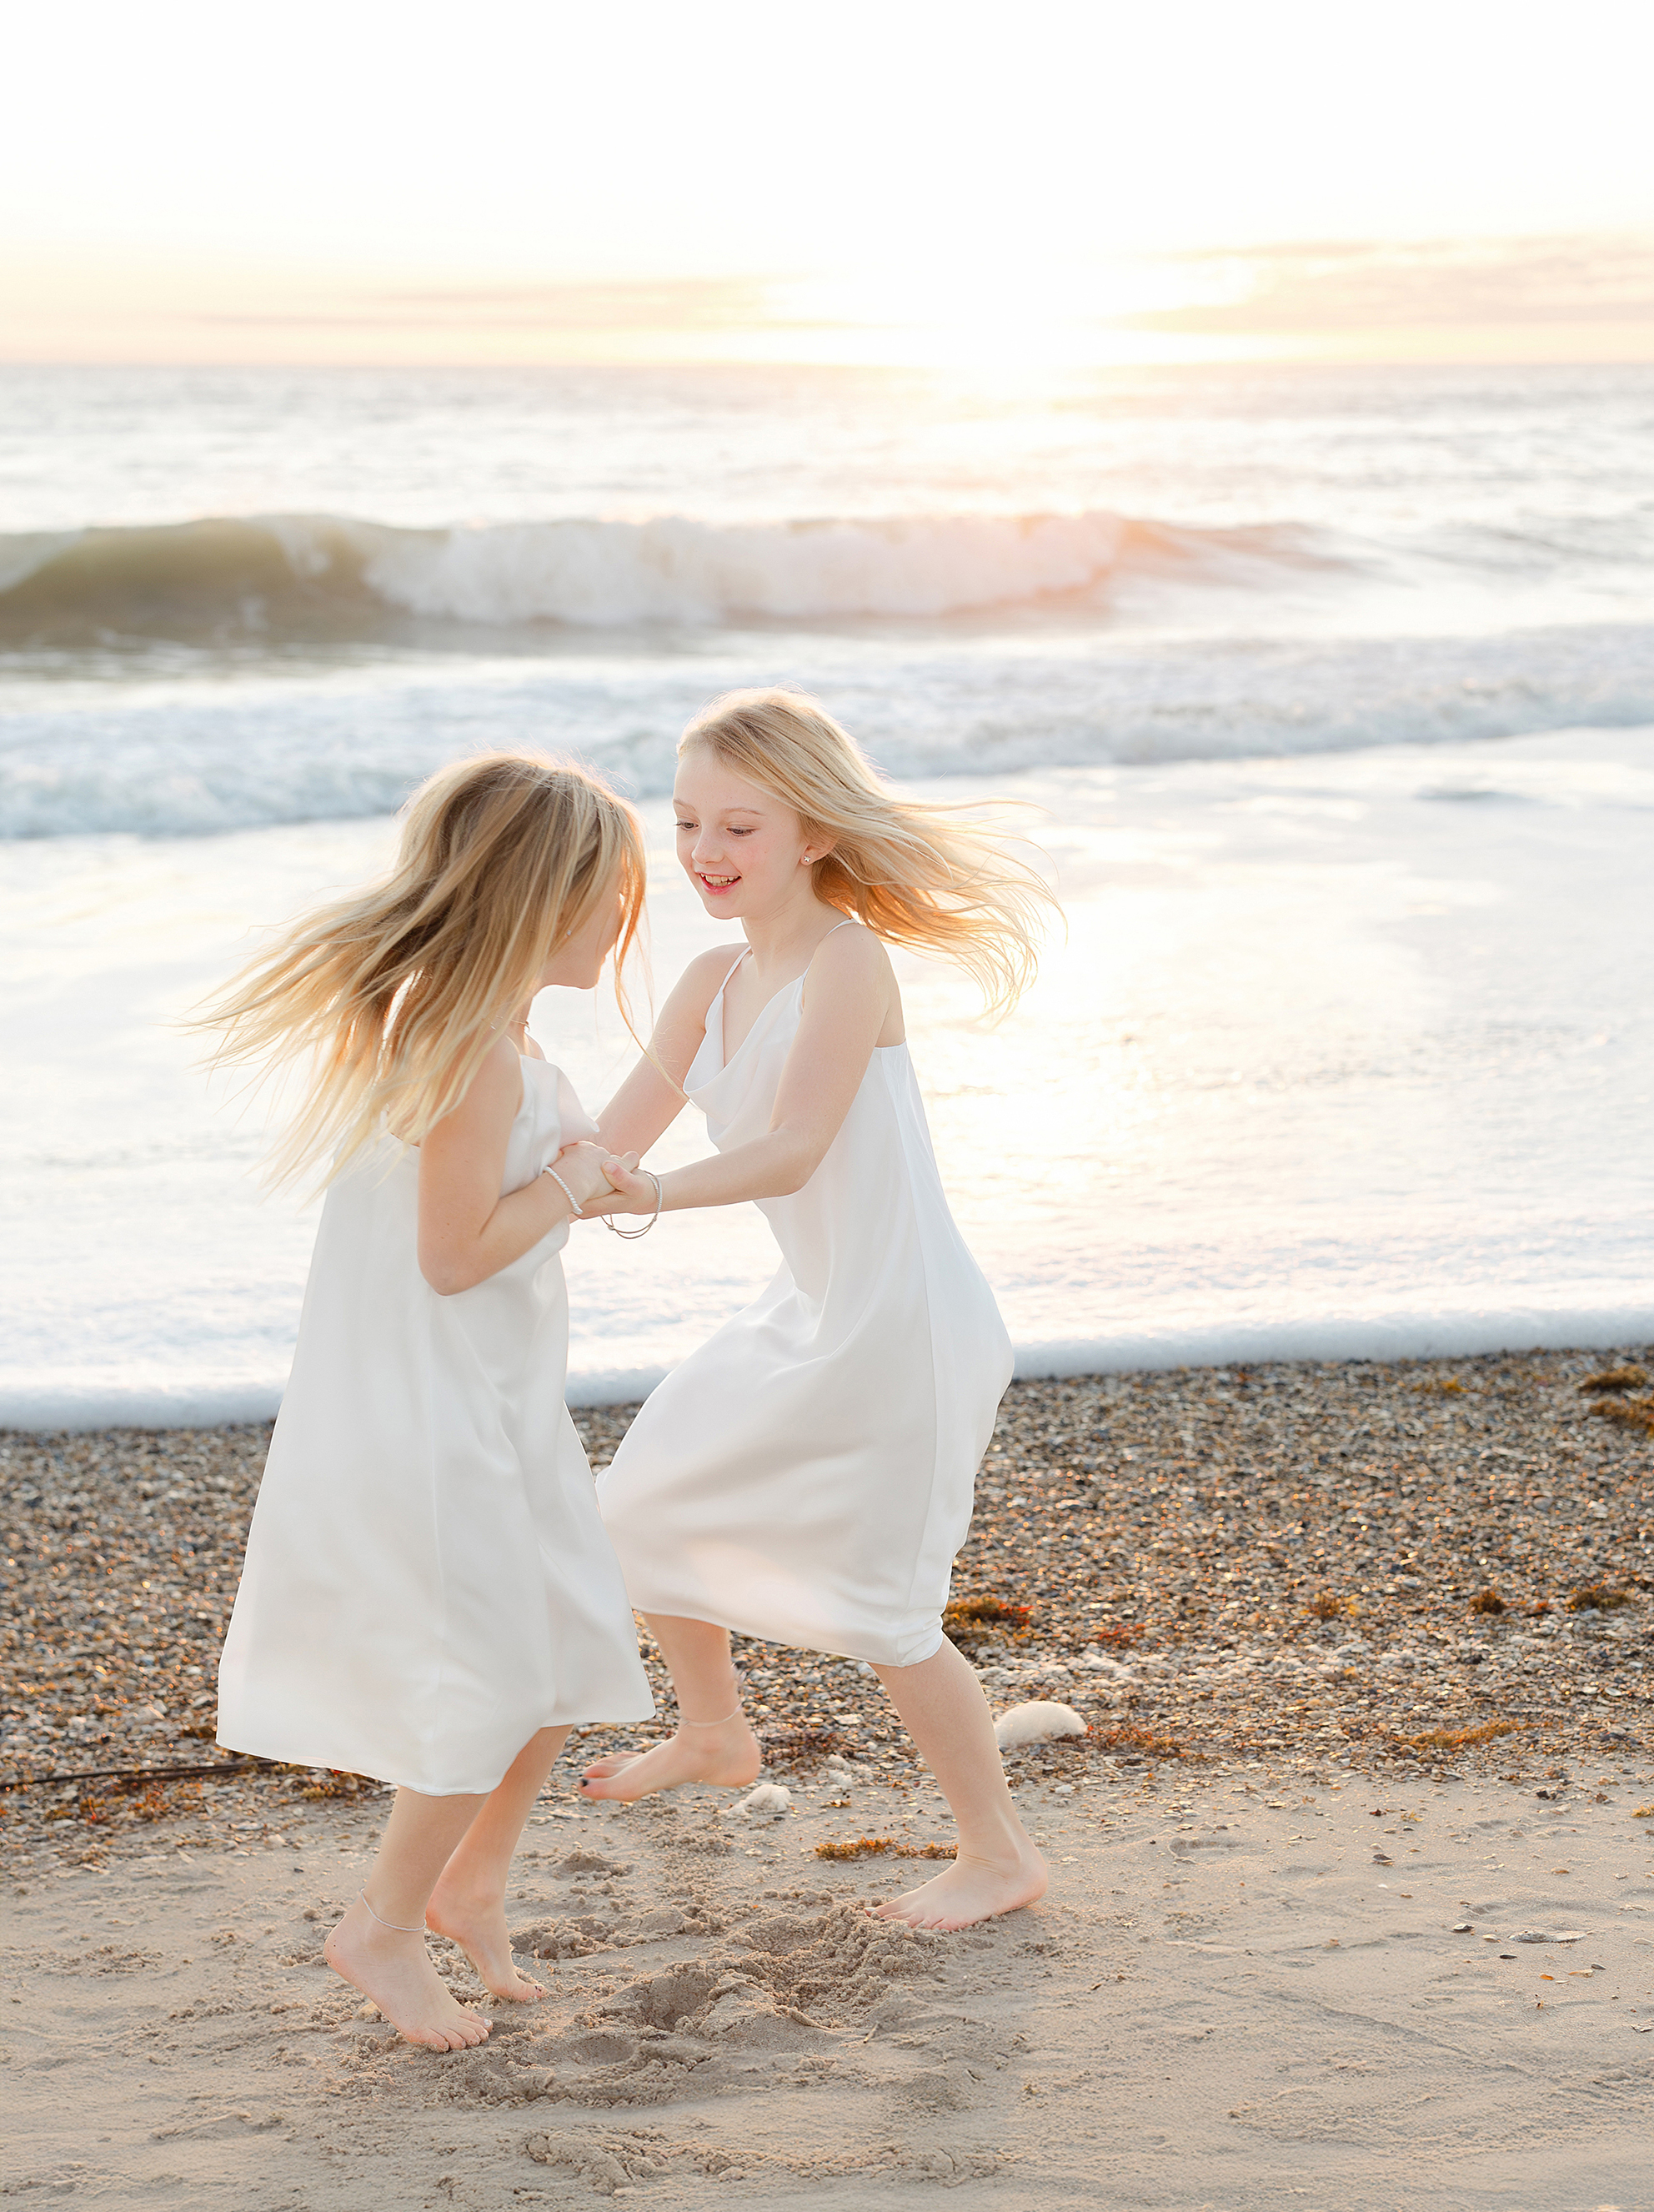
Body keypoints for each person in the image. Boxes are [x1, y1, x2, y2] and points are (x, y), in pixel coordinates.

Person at [579, 688, 1056, 1930]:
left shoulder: (850, 961)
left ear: (815, 836)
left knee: (891, 1613)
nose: (703, 854)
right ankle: (716, 1730)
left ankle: (999, 1857)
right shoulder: (707, 980)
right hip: (809, 1310)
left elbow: (791, 1149)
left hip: (903, 1326)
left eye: (740, 827)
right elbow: (608, 1139)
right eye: (686, 823)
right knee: (634, 1507)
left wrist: (644, 1193)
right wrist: (498, 1179)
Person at [200, 753, 656, 2049]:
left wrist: (577, 1173)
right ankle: (380, 1930)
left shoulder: (494, 1031)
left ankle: (470, 1882)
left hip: (498, 1401)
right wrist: (574, 1182)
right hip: (435, 1415)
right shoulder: (470, 1050)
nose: (623, 922)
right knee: (490, 1672)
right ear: (539, 896)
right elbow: (451, 1255)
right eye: (609, 896)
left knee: (564, 1647)